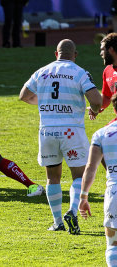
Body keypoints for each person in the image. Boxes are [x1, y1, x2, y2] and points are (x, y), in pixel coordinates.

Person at [19, 39, 102, 233]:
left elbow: (24, 95)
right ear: (75, 55)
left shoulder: (42, 71)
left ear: (56, 54)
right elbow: (96, 100)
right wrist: (95, 110)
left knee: (52, 178)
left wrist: (44, 103)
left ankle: (57, 223)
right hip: (72, 131)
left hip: (47, 131)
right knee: (79, 175)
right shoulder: (79, 72)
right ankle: (72, 211)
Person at [79, 93, 117, 267]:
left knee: (113, 243)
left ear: (114, 108)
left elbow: (90, 168)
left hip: (114, 193)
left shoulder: (102, 134)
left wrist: (83, 197)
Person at [88, 33, 117, 123]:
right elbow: (107, 97)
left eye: (102, 50)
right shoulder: (107, 71)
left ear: (111, 49)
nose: (101, 53)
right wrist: (96, 107)